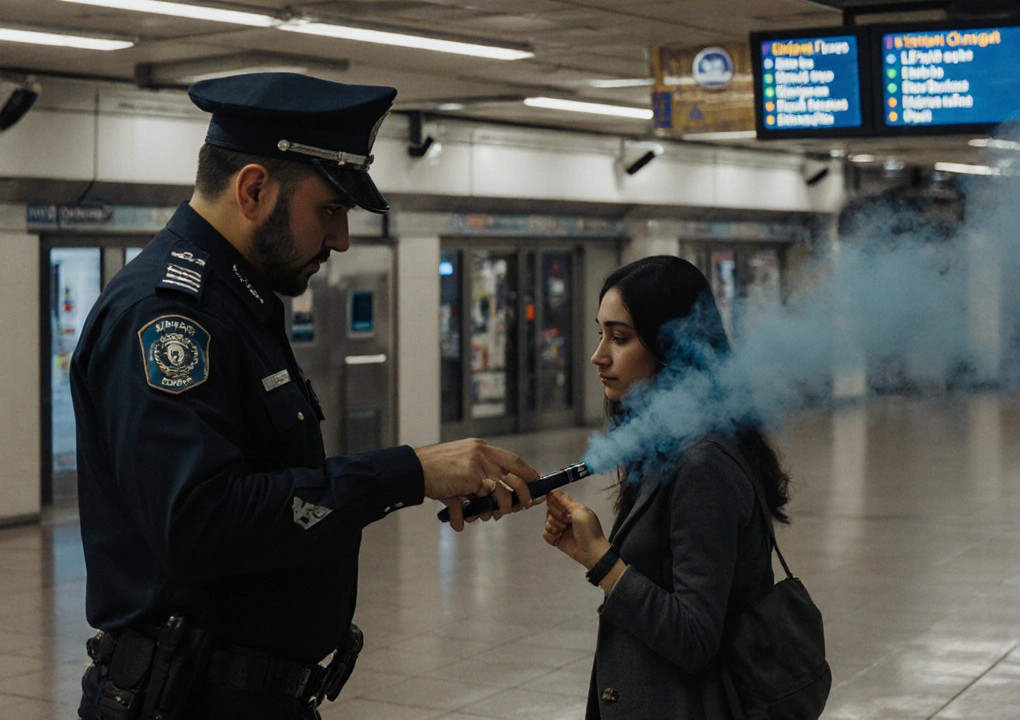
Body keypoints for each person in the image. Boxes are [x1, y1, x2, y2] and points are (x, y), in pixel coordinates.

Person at [72, 73, 538, 720]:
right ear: (255, 189)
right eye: (330, 209)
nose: (342, 238)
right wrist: (406, 472)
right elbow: (201, 523)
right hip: (188, 703)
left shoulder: (239, 303)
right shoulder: (169, 315)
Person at [541, 255, 791, 719]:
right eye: (600, 334)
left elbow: (694, 636)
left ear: (674, 345)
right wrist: (587, 552)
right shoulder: (671, 445)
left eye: (620, 338)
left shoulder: (702, 465)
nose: (599, 355)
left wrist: (603, 559)